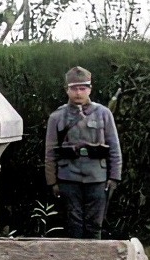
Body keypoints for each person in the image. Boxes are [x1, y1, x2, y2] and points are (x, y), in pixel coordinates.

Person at [44, 66, 123, 240]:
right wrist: (52, 182)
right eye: (74, 88)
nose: (78, 93)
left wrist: (114, 177)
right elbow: (50, 152)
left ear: (90, 89)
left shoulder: (103, 113)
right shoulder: (57, 117)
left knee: (95, 225)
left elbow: (114, 148)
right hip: (68, 177)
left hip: (97, 177)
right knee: (73, 225)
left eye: (82, 88)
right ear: (67, 90)